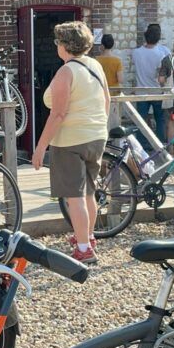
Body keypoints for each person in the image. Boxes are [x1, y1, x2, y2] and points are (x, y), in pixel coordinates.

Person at [32, 21, 110, 264]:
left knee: (74, 197)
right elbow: (106, 100)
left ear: (65, 45)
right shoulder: (95, 65)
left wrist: (41, 146)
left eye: (58, 42)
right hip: (96, 135)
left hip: (70, 140)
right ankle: (87, 237)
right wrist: (99, 126)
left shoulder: (66, 72)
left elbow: (58, 114)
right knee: (89, 192)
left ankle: (84, 248)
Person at [130, 23, 171, 146]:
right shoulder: (161, 54)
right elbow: (161, 76)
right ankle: (159, 145)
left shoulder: (136, 52)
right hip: (156, 90)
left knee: (141, 121)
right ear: (158, 38)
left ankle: (142, 145)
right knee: (160, 119)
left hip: (141, 91)